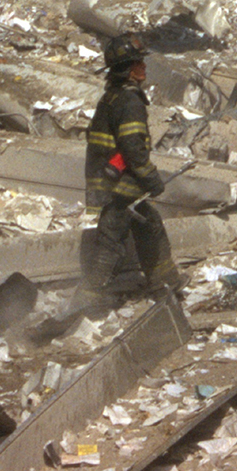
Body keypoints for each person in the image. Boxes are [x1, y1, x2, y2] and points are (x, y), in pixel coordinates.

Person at [82, 34, 179, 297]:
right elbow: (133, 148)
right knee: (110, 242)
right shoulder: (130, 102)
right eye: (138, 63)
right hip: (120, 186)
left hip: (114, 182)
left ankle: (164, 281)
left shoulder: (112, 97)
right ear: (127, 70)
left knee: (150, 224)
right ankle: (86, 299)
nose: (144, 67)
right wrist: (152, 179)